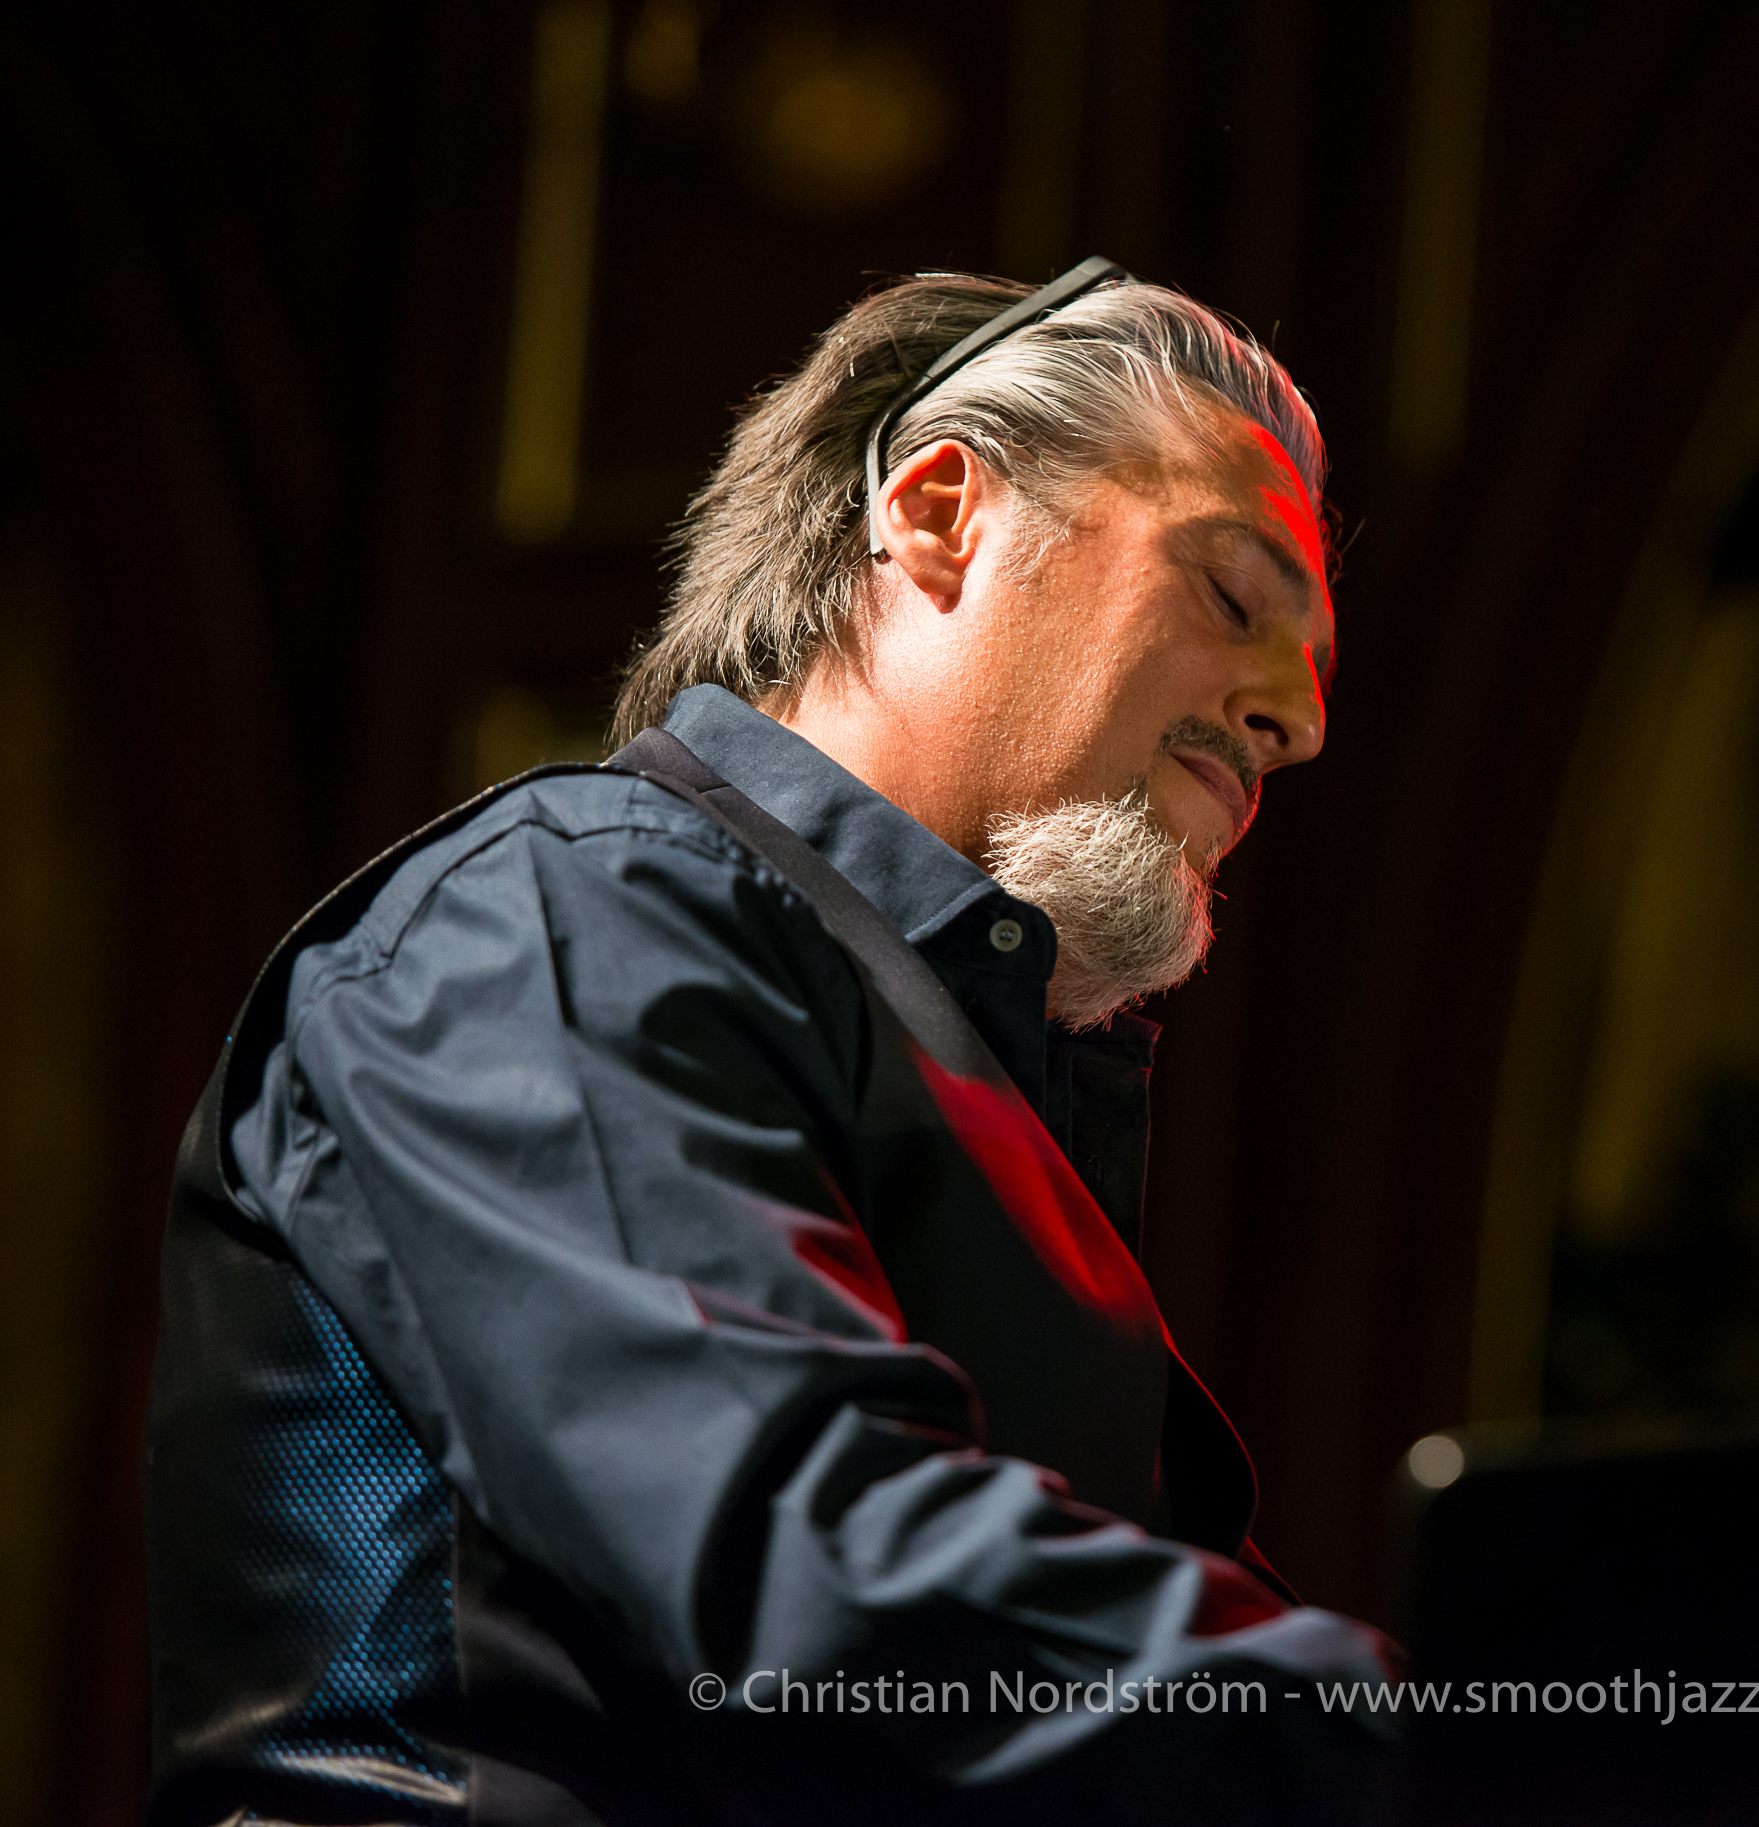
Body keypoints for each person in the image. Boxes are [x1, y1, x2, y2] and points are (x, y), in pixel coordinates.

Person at [144, 262, 1400, 1826]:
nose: (1297, 720)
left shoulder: (958, 1060)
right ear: (939, 513)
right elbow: (808, 1568)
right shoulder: (564, 907)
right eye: (1231, 596)